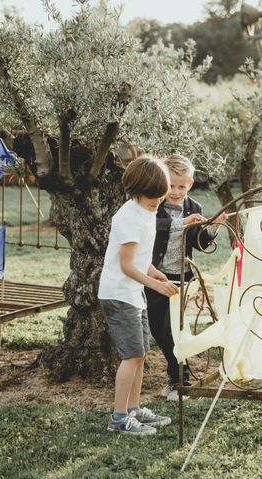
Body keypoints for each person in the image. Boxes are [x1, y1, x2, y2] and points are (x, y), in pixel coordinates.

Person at [99, 155, 180, 435]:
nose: (157, 202)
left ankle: (133, 410)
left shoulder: (145, 211)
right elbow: (126, 265)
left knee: (141, 353)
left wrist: (154, 271)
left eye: (161, 196)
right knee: (132, 355)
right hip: (119, 294)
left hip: (133, 293)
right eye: (152, 197)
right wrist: (156, 286)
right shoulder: (128, 217)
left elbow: (139, 258)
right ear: (135, 190)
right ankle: (119, 418)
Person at [146, 154, 227, 401]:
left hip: (181, 276)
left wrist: (212, 228)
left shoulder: (195, 207)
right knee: (156, 329)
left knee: (172, 330)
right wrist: (181, 222)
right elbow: (152, 226)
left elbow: (198, 242)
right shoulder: (152, 204)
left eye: (182, 186)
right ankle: (176, 375)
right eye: (171, 185)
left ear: (190, 185)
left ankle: (180, 380)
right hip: (153, 276)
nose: (176, 191)